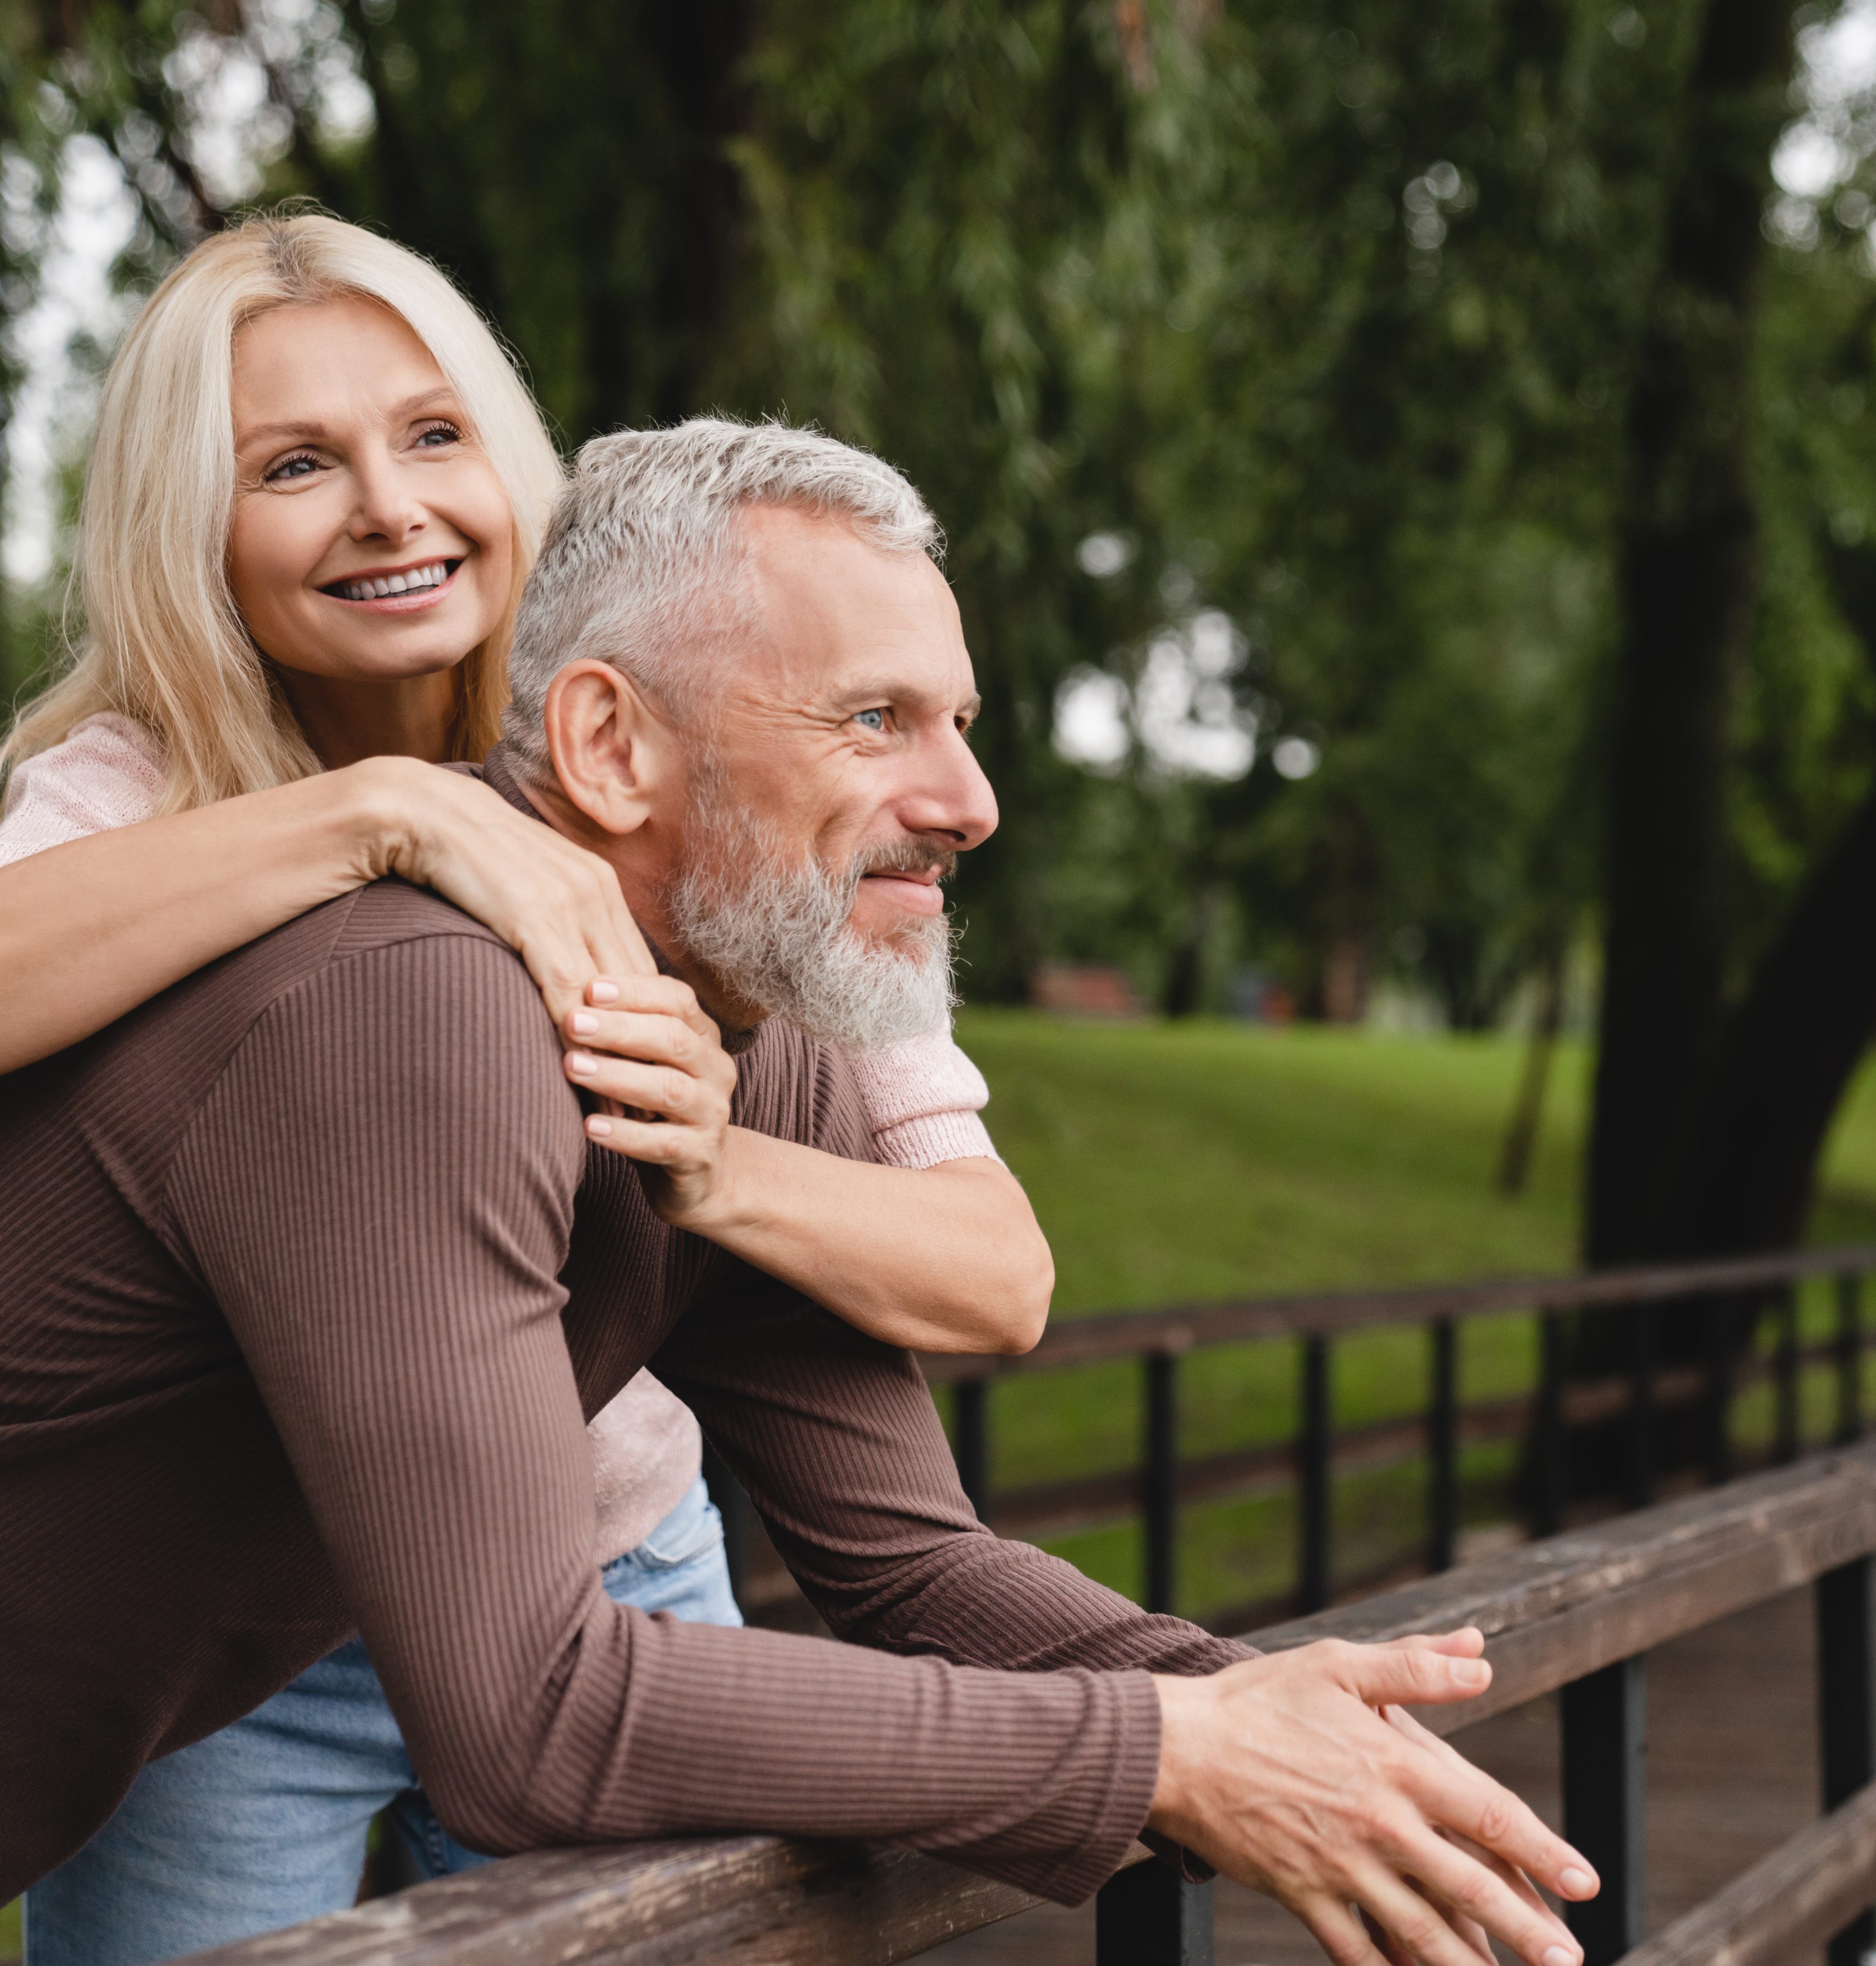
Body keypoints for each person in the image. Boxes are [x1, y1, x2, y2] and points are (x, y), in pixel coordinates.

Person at [0, 415, 1600, 1966]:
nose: (969, 802)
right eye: (874, 720)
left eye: (960, 722)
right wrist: (1165, 1749)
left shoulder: (755, 1035)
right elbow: (528, 1722)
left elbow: (912, 1567)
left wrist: (1273, 1712)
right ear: (611, 746)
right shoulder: (407, 1009)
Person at [0, 214, 1049, 1965]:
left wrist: (718, 1167)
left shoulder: (705, 800)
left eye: (433, 434)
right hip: (246, 1638)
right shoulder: (128, 798)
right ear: (191, 526)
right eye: (292, 465)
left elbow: (994, 1274)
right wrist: (374, 819)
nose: (389, 507)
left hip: (614, 1562)